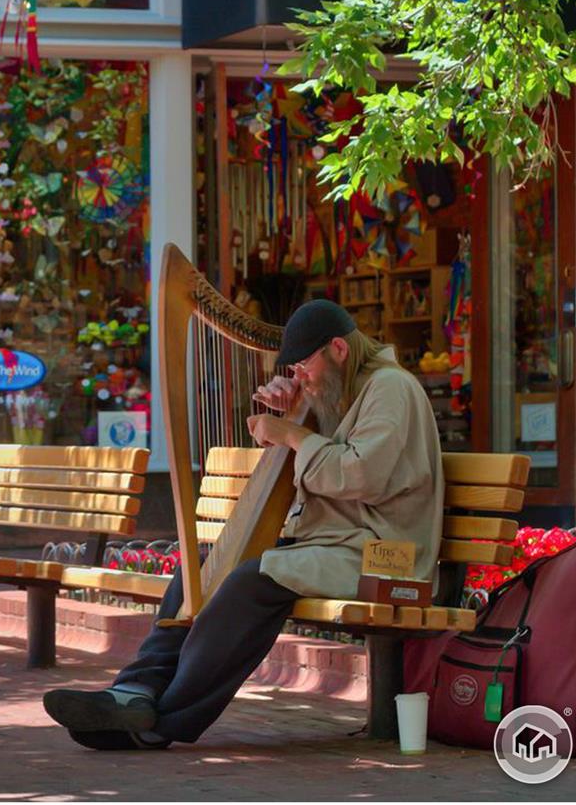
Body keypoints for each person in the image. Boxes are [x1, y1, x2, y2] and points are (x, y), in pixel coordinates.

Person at [42, 298, 443, 749]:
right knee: (196, 569)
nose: (299, 376)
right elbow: (333, 442)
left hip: (382, 553)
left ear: (339, 349)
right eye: (291, 370)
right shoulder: (338, 386)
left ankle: (158, 722)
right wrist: (298, 401)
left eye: (303, 366)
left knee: (253, 580)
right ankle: (134, 691)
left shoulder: (390, 387)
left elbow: (361, 475)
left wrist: (293, 433)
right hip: (335, 544)